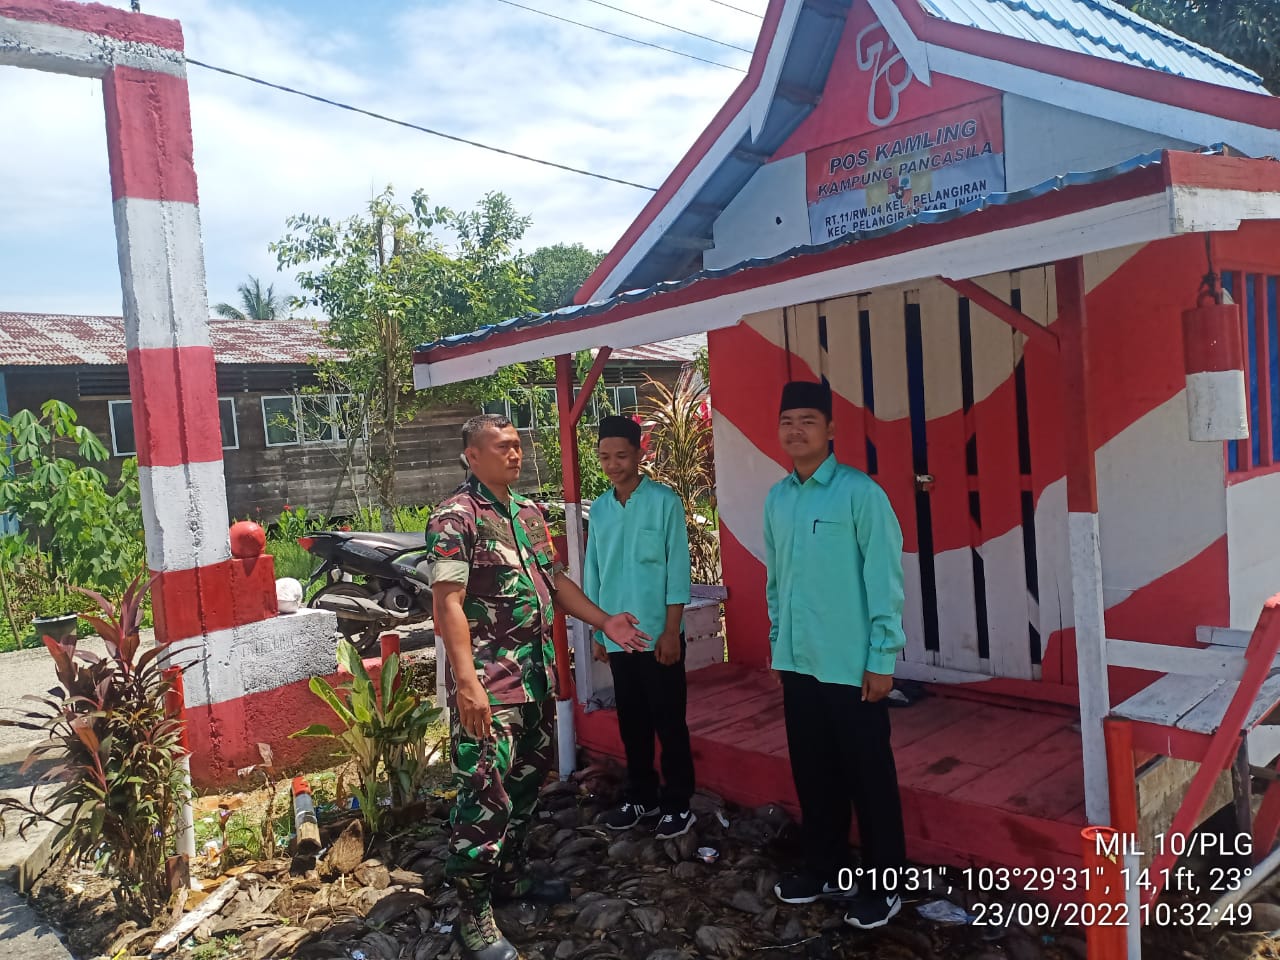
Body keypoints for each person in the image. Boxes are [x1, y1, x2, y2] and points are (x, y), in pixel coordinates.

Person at [427, 413, 650, 960]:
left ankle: (510, 877)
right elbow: (446, 604)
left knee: (526, 788)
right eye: (500, 446)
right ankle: (471, 915)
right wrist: (466, 684)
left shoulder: (528, 514)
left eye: (517, 445)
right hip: (490, 688)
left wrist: (604, 622)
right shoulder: (455, 518)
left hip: (534, 680)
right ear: (471, 456)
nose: (514, 454)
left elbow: (556, 581)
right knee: (484, 799)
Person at [764, 380, 909, 931]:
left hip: (852, 666)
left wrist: (881, 657)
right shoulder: (777, 498)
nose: (795, 430)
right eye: (787, 422)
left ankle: (885, 886)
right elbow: (777, 581)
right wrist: (780, 642)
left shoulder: (860, 494)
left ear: (830, 430)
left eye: (807, 420)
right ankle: (823, 866)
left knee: (868, 776)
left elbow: (885, 581)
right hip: (799, 662)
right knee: (813, 770)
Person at [585, 415, 696, 840]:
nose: (613, 464)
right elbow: (594, 571)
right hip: (617, 638)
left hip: (658, 634)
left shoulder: (665, 502)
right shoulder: (599, 508)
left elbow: (677, 569)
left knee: (670, 721)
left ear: (639, 453)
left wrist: (672, 630)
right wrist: (599, 633)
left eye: (621, 455)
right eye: (605, 457)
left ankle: (678, 803)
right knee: (631, 721)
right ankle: (641, 797)